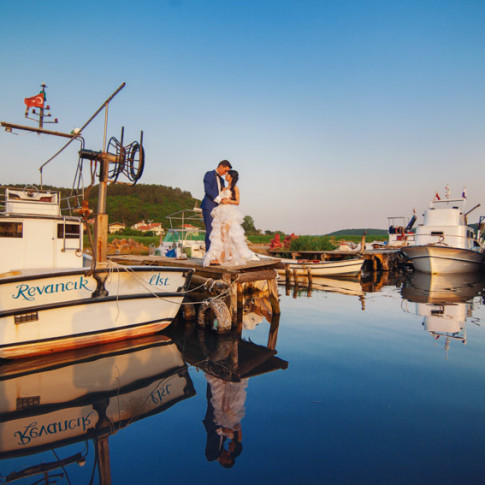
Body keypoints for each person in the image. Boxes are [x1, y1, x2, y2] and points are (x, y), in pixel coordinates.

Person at [203, 170, 259, 266]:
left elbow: (237, 202)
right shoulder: (224, 188)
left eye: (228, 174)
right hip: (219, 212)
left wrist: (227, 201)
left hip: (228, 213)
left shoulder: (235, 188)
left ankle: (222, 258)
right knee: (219, 235)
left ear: (231, 177)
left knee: (225, 234)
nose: (226, 175)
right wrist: (221, 201)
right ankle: (229, 256)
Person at [201, 160, 232, 251]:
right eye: (225, 170)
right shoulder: (209, 174)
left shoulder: (222, 179)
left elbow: (222, 191)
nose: (226, 173)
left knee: (218, 231)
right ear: (221, 166)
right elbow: (207, 190)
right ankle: (208, 255)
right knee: (210, 230)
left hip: (219, 208)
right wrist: (219, 200)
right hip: (208, 206)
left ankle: (216, 254)